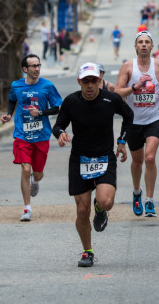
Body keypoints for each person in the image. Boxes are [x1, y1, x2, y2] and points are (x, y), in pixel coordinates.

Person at [52, 62, 134, 268]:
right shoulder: (71, 102)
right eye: (86, 81)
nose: (90, 86)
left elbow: (129, 116)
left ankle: (100, 209)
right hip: (80, 159)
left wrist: (122, 142)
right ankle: (87, 251)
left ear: (100, 81)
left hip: (105, 157)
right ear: (79, 82)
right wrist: (60, 134)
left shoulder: (111, 99)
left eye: (94, 81)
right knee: (81, 211)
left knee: (106, 201)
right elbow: (58, 124)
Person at [1, 54, 63, 221]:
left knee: (37, 173)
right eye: (33, 66)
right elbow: (12, 100)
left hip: (41, 136)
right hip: (22, 135)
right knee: (25, 169)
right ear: (25, 69)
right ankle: (27, 208)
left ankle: (35, 183)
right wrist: (8, 114)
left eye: (38, 65)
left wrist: (41, 112)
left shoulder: (47, 86)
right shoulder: (16, 86)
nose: (37, 69)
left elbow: (57, 108)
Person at [115, 31, 159, 217]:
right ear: (135, 46)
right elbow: (117, 93)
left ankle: (150, 201)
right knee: (137, 162)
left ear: (152, 46)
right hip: (133, 121)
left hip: (154, 119)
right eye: (141, 42)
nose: (144, 45)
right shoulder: (128, 67)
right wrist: (135, 87)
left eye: (147, 42)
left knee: (150, 158)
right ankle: (137, 193)